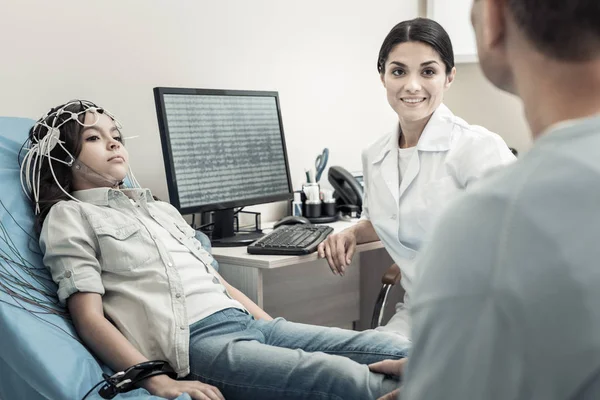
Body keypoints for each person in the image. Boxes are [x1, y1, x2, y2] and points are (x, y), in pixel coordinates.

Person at [24, 100, 411, 400]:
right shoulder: (69, 216)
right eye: (93, 138)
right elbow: (89, 318)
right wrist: (156, 381)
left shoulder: (160, 209)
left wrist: (269, 326)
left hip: (250, 323)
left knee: (391, 348)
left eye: (115, 134)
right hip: (199, 344)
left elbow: (217, 282)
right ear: (63, 159)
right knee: (344, 379)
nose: (112, 142)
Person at [370, 0, 600, 398]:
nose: (411, 85)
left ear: (493, 19)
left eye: (427, 71)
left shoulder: (493, 219)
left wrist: (442, 376)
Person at [317, 17, 515, 338]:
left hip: (481, 318)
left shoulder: (476, 147)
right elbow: (386, 219)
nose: (411, 85)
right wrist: (352, 233)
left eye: (428, 71)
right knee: (360, 367)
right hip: (418, 312)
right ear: (382, 76)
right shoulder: (375, 154)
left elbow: (521, 246)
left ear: (449, 77)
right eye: (398, 71)